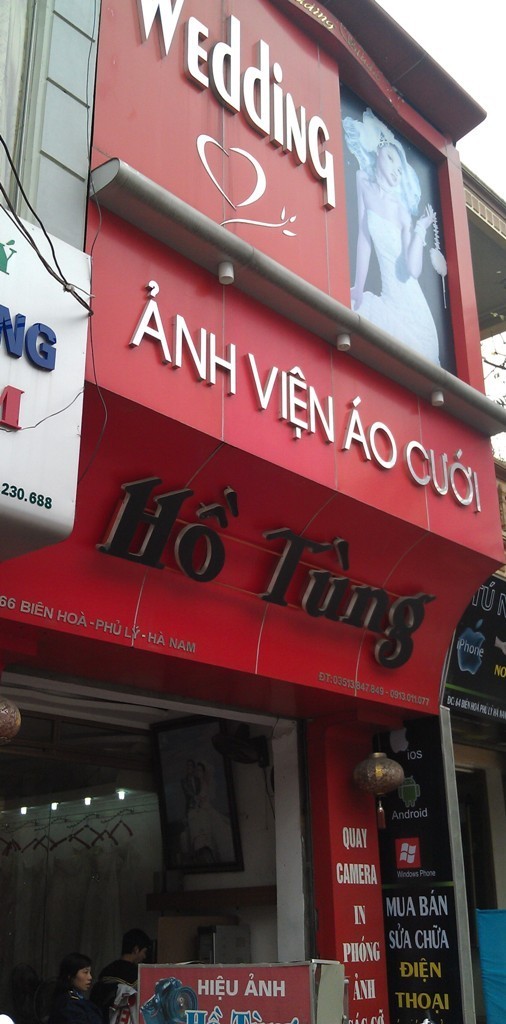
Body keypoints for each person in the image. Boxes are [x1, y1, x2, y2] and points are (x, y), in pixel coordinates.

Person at [342, 107, 444, 365]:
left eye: (400, 169)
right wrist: (359, 286)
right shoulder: (362, 180)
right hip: (388, 299)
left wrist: (420, 229)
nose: (395, 170)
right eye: (390, 158)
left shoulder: (401, 211)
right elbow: (364, 237)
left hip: (411, 306)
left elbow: (413, 270)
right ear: (378, 153)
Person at [90, 930, 151, 1022]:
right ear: (136, 949)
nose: (144, 957)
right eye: (144, 952)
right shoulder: (137, 975)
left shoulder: (106, 971)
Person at [48, 954, 103, 1024]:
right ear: (70, 975)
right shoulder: (69, 1005)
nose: (90, 977)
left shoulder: (76, 999)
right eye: (85, 972)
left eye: (90, 972)